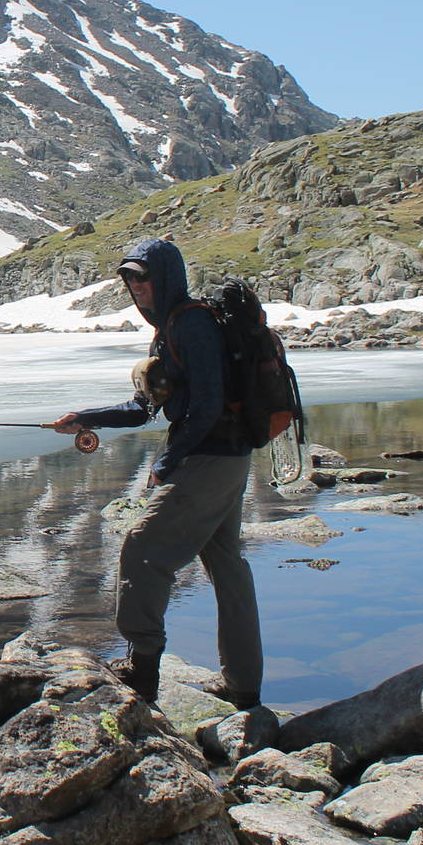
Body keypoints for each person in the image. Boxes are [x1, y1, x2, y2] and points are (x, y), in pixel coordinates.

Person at [50, 237, 262, 709]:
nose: (135, 286)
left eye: (141, 276)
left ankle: (142, 669)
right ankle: (244, 688)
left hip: (209, 458)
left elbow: (206, 406)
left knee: (143, 550)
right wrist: (85, 417)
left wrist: (166, 465)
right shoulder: (172, 327)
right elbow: (143, 408)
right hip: (226, 457)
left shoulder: (192, 325)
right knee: (227, 567)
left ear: (165, 276)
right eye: (128, 278)